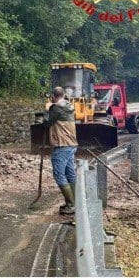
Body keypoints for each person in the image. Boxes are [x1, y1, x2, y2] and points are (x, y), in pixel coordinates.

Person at [45, 86, 78, 214]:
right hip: (71, 144)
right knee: (70, 173)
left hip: (62, 145)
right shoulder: (69, 106)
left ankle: (71, 205)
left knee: (59, 174)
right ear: (64, 95)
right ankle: (75, 202)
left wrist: (47, 109)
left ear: (53, 96)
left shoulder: (56, 108)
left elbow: (46, 122)